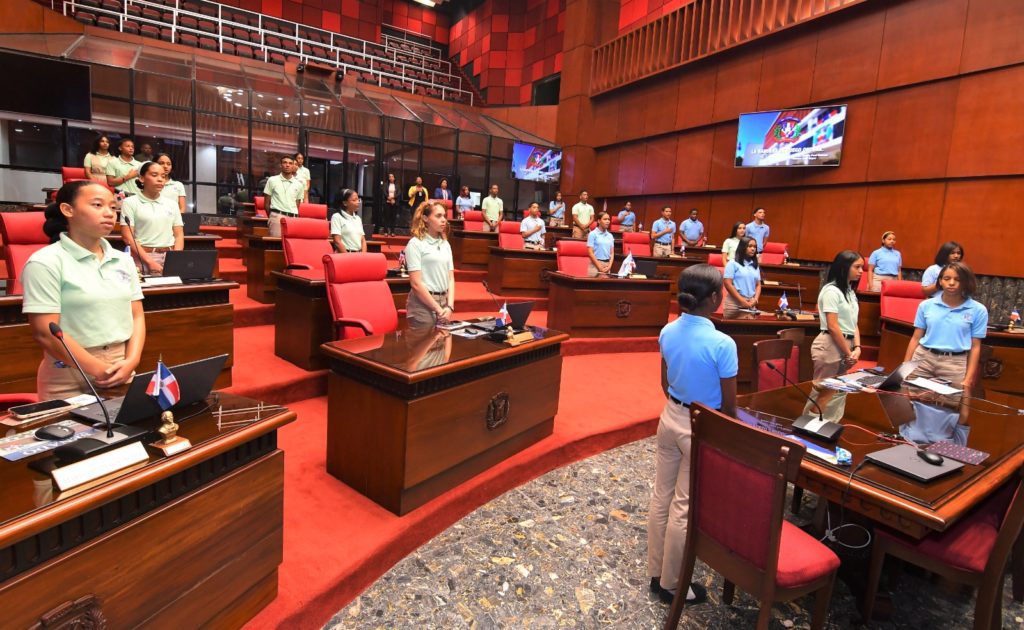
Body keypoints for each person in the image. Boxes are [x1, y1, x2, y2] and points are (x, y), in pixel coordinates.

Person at [647, 263, 735, 607]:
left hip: (670, 416)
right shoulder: (722, 343)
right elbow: (729, 405)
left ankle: (657, 573)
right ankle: (671, 585)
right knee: (683, 507)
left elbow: (664, 384)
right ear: (713, 298)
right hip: (700, 425)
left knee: (661, 496)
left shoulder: (668, 331)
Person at [21, 181, 146, 400]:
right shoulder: (45, 262)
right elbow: (45, 333)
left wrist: (132, 361)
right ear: (68, 210)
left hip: (121, 366)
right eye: (97, 205)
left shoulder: (123, 260)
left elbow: (136, 315)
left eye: (113, 208)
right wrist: (100, 369)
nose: (109, 213)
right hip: (68, 374)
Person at [904, 262, 988, 390]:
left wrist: (968, 379)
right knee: (910, 402)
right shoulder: (926, 305)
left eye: (957, 279)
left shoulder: (978, 310)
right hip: (923, 358)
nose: (951, 283)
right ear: (940, 281)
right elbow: (915, 338)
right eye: (947, 278)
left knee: (948, 406)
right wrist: (905, 367)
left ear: (966, 282)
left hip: (954, 363)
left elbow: (975, 347)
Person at [120, 161, 184, 275]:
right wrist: (149, 261)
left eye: (163, 176)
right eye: (154, 175)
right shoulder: (130, 203)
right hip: (143, 257)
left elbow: (179, 235)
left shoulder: (172, 204)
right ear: (141, 178)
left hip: (170, 256)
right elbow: (127, 236)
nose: (160, 179)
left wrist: (176, 259)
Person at [811, 250, 864, 379]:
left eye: (862, 267)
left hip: (847, 345)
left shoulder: (850, 291)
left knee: (837, 393)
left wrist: (857, 348)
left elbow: (853, 322)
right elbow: (833, 326)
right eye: (857, 267)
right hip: (830, 345)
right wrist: (848, 353)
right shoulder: (831, 291)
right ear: (843, 268)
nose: (861, 271)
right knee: (821, 394)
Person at [405, 201, 456, 327]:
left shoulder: (445, 244)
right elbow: (416, 284)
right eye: (438, 216)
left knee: (443, 343)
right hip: (422, 305)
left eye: (444, 216)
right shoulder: (415, 244)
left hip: (444, 303)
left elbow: (451, 278)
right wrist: (438, 309)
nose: (444, 220)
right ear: (425, 218)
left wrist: (449, 307)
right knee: (425, 345)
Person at [263, 154, 305, 237]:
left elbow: (297, 204)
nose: (287, 165)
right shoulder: (272, 180)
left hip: (293, 218)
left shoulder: (299, 184)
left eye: (290, 163)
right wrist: (273, 216)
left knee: (291, 246)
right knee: (276, 246)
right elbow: (266, 203)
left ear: (293, 166)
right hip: (276, 216)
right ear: (280, 165)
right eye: (285, 163)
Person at [723, 236, 761, 317]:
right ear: (742, 247)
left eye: (754, 247)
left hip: (751, 303)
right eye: (750, 246)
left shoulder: (755, 265)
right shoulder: (732, 263)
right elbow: (727, 283)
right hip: (734, 304)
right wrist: (741, 301)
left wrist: (755, 299)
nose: (753, 249)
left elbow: (758, 285)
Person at [330, 188, 367, 254]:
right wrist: (348, 258)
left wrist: (363, 256)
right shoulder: (337, 217)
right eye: (354, 200)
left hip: (358, 256)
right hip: (344, 255)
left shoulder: (358, 218)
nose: (358, 202)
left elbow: (363, 240)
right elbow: (337, 242)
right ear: (345, 203)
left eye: (358, 199)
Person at [586, 211, 614, 277]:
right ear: (598, 221)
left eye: (608, 219)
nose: (607, 221)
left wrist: (609, 266)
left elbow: (612, 253)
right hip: (595, 265)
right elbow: (590, 252)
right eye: (605, 219)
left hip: (607, 266)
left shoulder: (610, 235)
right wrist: (599, 266)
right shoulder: (592, 234)